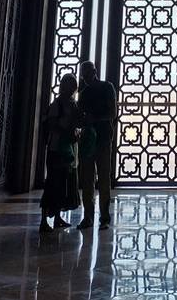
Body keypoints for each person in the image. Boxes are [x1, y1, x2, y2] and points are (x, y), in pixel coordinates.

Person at [77, 60, 117, 230]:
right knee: (90, 179)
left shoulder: (106, 88)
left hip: (101, 138)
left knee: (101, 178)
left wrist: (93, 119)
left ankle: (102, 217)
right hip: (92, 139)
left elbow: (112, 112)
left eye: (87, 73)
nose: (85, 77)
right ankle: (91, 217)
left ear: (94, 72)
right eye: (83, 74)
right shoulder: (88, 92)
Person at [40, 72, 81, 232]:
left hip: (66, 149)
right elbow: (52, 124)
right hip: (56, 148)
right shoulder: (58, 104)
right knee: (52, 184)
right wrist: (67, 131)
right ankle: (44, 220)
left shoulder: (70, 104)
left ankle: (57, 218)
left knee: (61, 184)